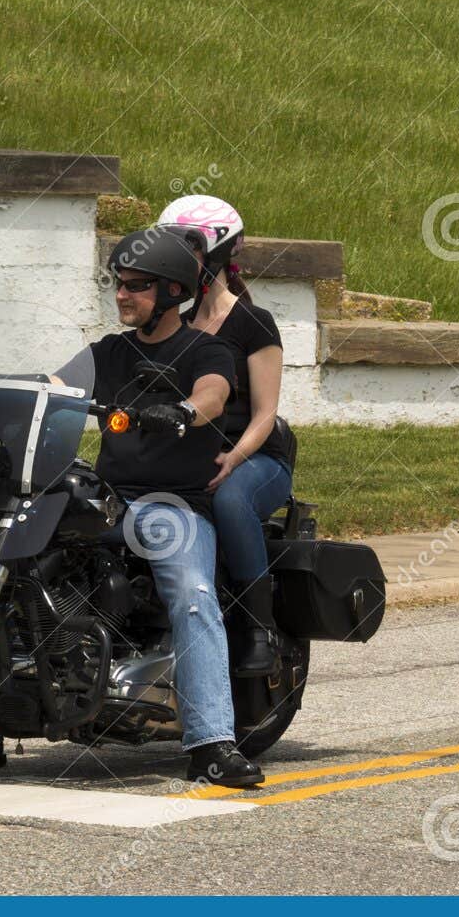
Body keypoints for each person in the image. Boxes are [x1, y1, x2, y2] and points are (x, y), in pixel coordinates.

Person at [64, 228, 263, 787]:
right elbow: (56, 386)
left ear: (174, 291)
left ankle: (212, 743)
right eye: (118, 284)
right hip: (106, 499)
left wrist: (182, 411)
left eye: (137, 286)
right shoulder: (109, 352)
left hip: (170, 504)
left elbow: (213, 395)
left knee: (193, 596)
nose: (122, 294)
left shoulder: (207, 349)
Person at [156, 196, 292, 678]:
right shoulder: (180, 325)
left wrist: (233, 458)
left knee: (232, 501)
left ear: (214, 254)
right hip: (196, 456)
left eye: (183, 248)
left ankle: (261, 628)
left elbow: (265, 414)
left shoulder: (254, 323)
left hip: (257, 459)